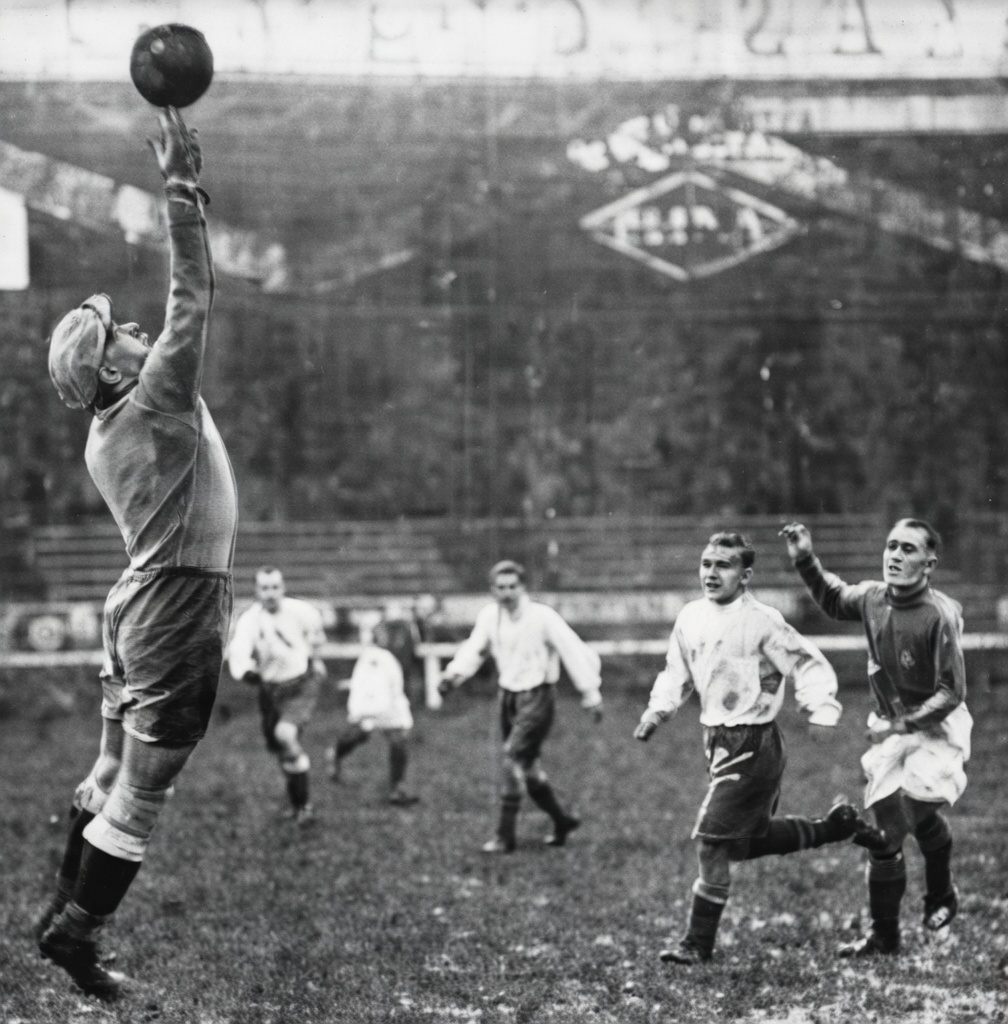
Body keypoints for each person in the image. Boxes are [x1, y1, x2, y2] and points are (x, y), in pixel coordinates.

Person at [36, 108, 236, 1000]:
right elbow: (194, 292)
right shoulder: (153, 397)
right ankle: (75, 932)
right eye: (121, 333)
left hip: (136, 603)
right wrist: (181, 188)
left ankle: (60, 901)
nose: (136, 330)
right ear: (114, 372)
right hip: (176, 604)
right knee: (143, 792)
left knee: (108, 770)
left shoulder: (106, 426)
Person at [634, 531, 885, 966]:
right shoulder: (690, 616)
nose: (712, 573)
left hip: (753, 743)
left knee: (711, 843)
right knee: (740, 843)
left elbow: (805, 660)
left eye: (724, 565)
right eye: (707, 563)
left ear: (745, 575)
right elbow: (676, 671)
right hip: (716, 740)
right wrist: (658, 710)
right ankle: (834, 827)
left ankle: (697, 943)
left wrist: (821, 708)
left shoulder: (762, 620)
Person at [781, 518, 971, 957]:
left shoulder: (939, 615)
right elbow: (832, 598)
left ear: (929, 564)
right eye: (891, 546)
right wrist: (805, 558)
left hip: (936, 727)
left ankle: (940, 893)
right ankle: (885, 936)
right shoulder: (872, 599)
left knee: (898, 823)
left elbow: (952, 692)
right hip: (890, 723)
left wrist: (901, 725)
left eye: (908, 549)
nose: (896, 556)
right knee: (893, 828)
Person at [439, 559, 603, 853]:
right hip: (508, 696)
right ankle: (562, 820)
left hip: (538, 696)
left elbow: (572, 650)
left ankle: (504, 836)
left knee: (511, 758)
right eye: (501, 587)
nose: (507, 593)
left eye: (512, 586)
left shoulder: (543, 617)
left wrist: (590, 693)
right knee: (527, 768)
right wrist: (454, 675)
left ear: (523, 587)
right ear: (493, 590)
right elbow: (476, 649)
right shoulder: (490, 616)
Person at [226, 567, 328, 825]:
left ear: (282, 588)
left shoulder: (301, 611)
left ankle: (305, 806)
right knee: (281, 749)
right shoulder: (250, 620)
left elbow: (316, 635)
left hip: (300, 684)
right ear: (257, 591)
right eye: (265, 588)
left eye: (275, 587)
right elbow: (239, 651)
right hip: (270, 690)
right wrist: (246, 671)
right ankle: (297, 803)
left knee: (285, 735)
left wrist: (316, 660)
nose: (270, 593)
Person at [324, 619, 420, 806]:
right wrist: (364, 709)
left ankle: (397, 789)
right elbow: (367, 683)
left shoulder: (397, 651)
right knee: (359, 735)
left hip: (392, 703)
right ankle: (335, 754)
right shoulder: (373, 656)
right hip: (373, 703)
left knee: (399, 740)